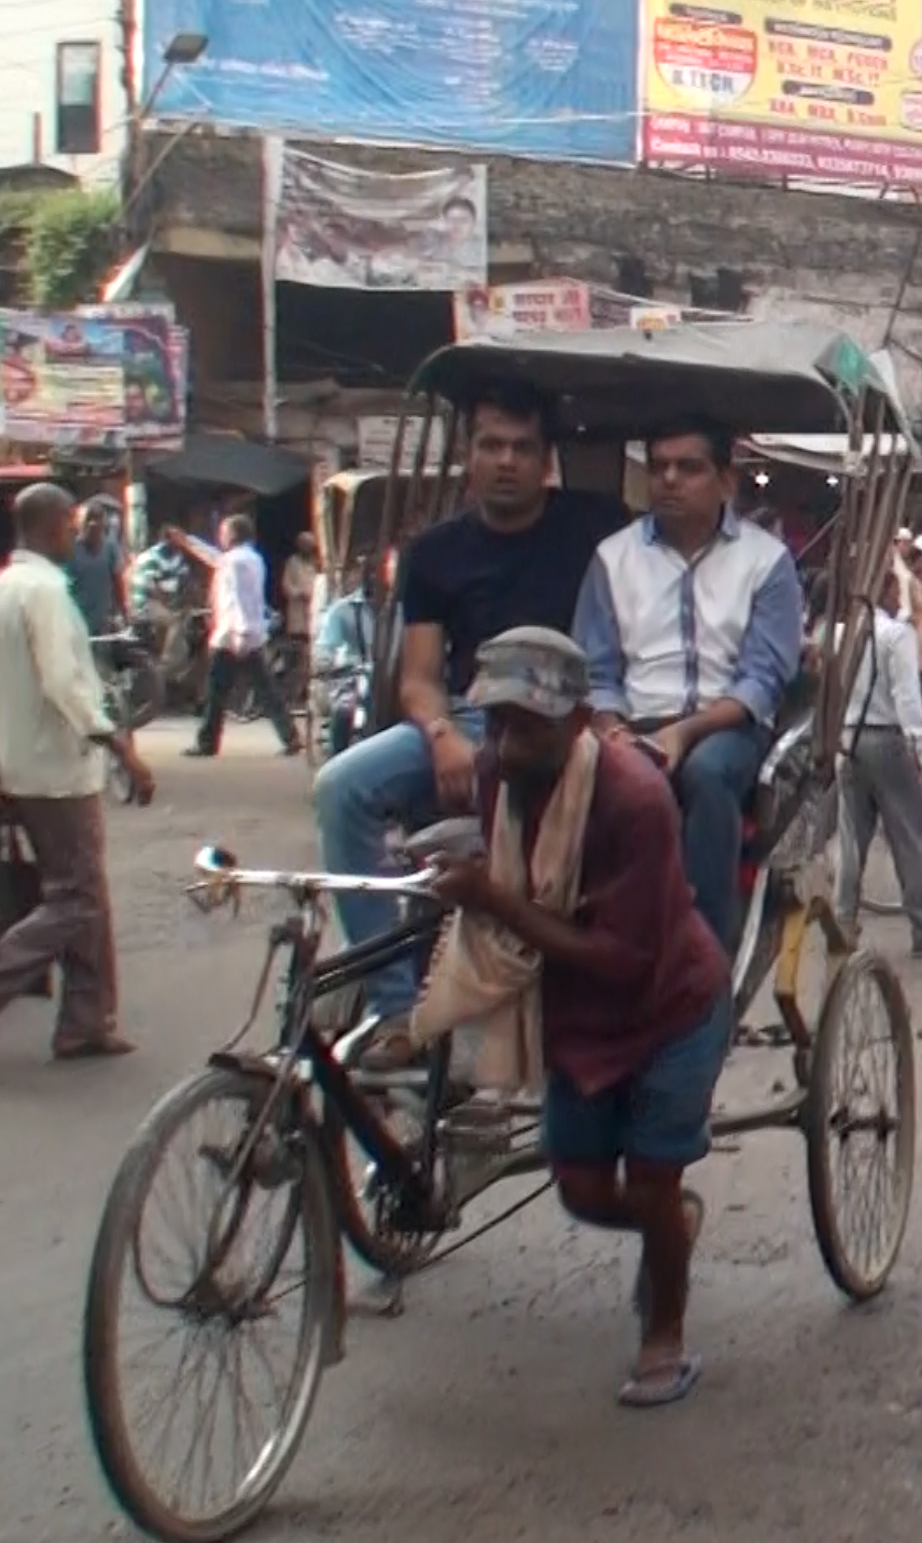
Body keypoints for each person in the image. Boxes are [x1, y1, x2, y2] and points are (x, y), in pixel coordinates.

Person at [417, 628, 729, 1408]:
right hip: (577, 1009)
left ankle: (665, 1330)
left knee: (653, 1180)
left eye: (530, 724)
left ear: (582, 718)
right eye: (498, 723)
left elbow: (623, 958)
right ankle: (669, 1234)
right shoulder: (497, 773)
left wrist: (494, 900)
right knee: (582, 1186)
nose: (510, 744)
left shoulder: (633, 796)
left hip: (667, 1003)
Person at [315, 377, 631, 1051]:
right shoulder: (434, 553)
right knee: (340, 786)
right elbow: (420, 678)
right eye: (492, 445)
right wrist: (440, 733)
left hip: (563, 721)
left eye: (522, 447)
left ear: (546, 459)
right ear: (470, 454)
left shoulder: (594, 527)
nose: (507, 460)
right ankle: (400, 1007)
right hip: (467, 715)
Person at [0, 485, 153, 1064]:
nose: (76, 538)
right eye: (71, 528)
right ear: (51, 528)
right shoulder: (44, 592)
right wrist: (120, 745)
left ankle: (86, 1020)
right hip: (57, 767)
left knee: (83, 891)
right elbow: (64, 683)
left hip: (22, 763)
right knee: (76, 898)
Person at [570, 416, 805, 978]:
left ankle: (703, 953)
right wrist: (613, 728)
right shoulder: (613, 558)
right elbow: (596, 670)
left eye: (688, 467)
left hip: (728, 725)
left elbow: (762, 678)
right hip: (631, 718)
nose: (669, 480)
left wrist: (682, 732)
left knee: (704, 773)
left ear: (726, 480)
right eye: (659, 468)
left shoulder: (766, 561)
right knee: (575, 779)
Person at [831, 593, 922, 956]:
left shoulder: (841, 631)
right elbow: (907, 698)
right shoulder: (895, 635)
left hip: (847, 737)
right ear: (887, 587)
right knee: (908, 836)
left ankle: (842, 922)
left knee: (851, 839)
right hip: (887, 740)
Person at [172, 514, 300, 758]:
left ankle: (207, 742)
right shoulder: (249, 558)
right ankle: (290, 735)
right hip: (247, 633)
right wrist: (189, 542)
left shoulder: (234, 562)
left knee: (217, 691)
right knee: (264, 688)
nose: (220, 536)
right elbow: (215, 559)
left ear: (233, 535)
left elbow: (240, 599)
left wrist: (240, 632)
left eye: (223, 532)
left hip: (234, 635)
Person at [314, 549, 392, 753]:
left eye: (381, 575)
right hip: (352, 679)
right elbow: (325, 646)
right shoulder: (342, 610)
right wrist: (325, 662)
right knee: (343, 712)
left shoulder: (402, 610)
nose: (376, 580)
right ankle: (336, 762)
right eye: (370, 574)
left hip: (390, 681)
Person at [64, 499, 125, 639]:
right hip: (74, 622)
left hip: (102, 622)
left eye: (98, 518)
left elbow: (118, 582)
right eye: (89, 519)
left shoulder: (110, 548)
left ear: (104, 523)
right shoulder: (69, 549)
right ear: (79, 523)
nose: (93, 524)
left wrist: (123, 613)